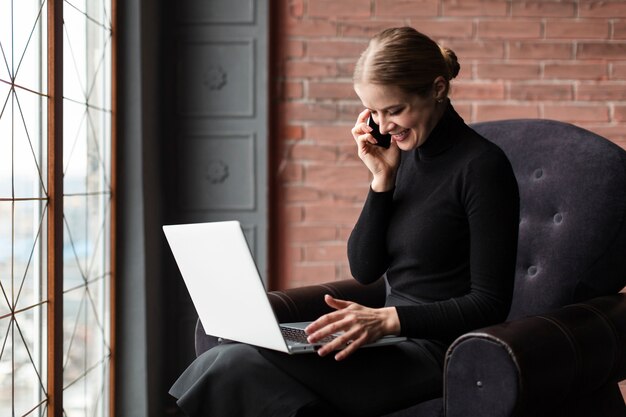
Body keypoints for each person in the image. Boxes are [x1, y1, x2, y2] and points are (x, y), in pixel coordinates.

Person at [169, 26, 519, 417]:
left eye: (395, 109)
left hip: (434, 353)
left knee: (236, 363)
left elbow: (490, 304)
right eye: (375, 112)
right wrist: (381, 180)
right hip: (382, 339)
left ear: (437, 89)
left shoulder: (483, 168)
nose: (384, 127)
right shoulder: (404, 158)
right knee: (235, 357)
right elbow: (365, 268)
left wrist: (387, 319)